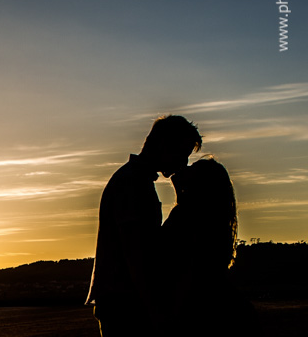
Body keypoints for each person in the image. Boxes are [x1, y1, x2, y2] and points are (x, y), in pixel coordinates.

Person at [86, 115, 202, 336]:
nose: (184, 163)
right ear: (164, 145)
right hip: (127, 304)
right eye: (182, 153)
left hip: (124, 302)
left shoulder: (133, 180)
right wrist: (157, 313)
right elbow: (138, 256)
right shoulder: (133, 184)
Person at [162, 157, 257, 336]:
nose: (185, 169)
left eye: (192, 169)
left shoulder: (186, 216)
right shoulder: (217, 221)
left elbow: (164, 251)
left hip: (192, 304)